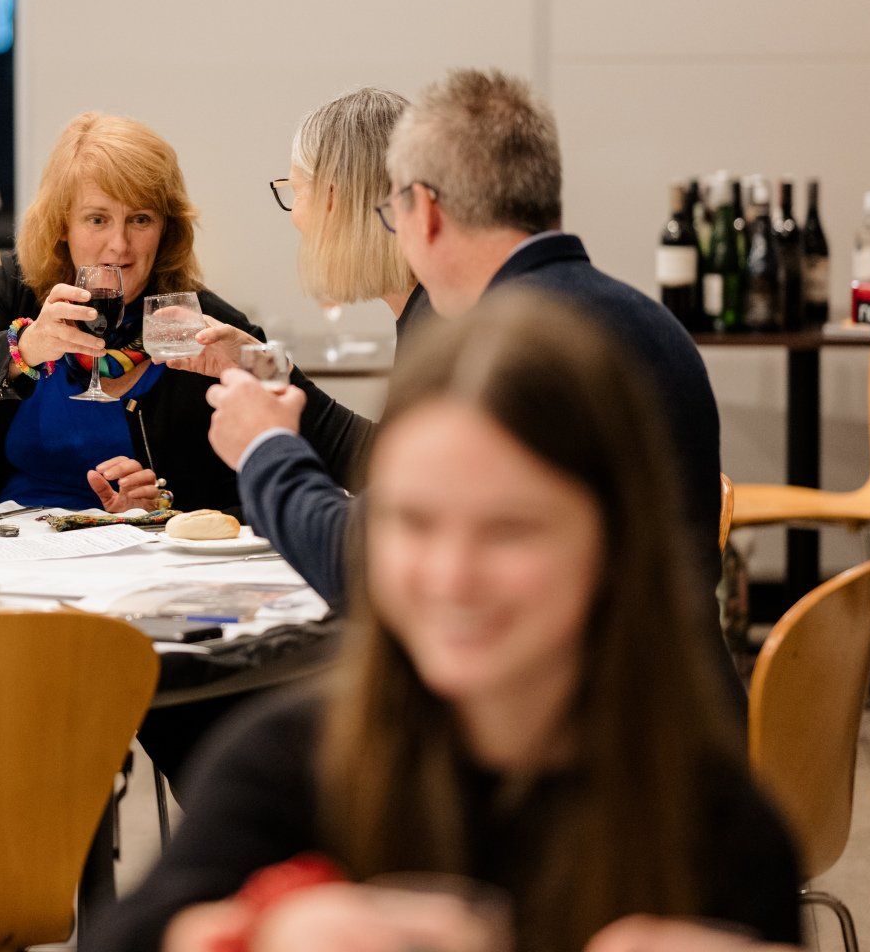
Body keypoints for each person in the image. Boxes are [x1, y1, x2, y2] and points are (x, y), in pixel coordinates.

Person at [91, 293, 800, 952]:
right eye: (414, 522)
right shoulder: (288, 771)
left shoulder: (711, 825)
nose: (452, 577)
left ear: (615, 546)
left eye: (509, 530)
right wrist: (242, 933)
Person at [207, 69, 722, 609]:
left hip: (584, 688)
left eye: (392, 211)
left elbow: (372, 567)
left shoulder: (502, 343)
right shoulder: (633, 314)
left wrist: (265, 451)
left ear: (423, 211)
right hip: (677, 677)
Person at [0, 110, 366, 513]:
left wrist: (158, 507)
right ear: (63, 224)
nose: (118, 245)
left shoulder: (198, 322)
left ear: (166, 229)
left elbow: (253, 494)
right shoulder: (22, 290)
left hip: (133, 573)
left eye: (140, 220)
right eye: (97, 219)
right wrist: (26, 347)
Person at [166, 86, 435, 478]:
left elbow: (393, 501)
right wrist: (262, 367)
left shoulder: (444, 321)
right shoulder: (427, 307)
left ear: (333, 197)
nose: (295, 217)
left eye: (296, 192)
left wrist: (266, 452)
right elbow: (382, 460)